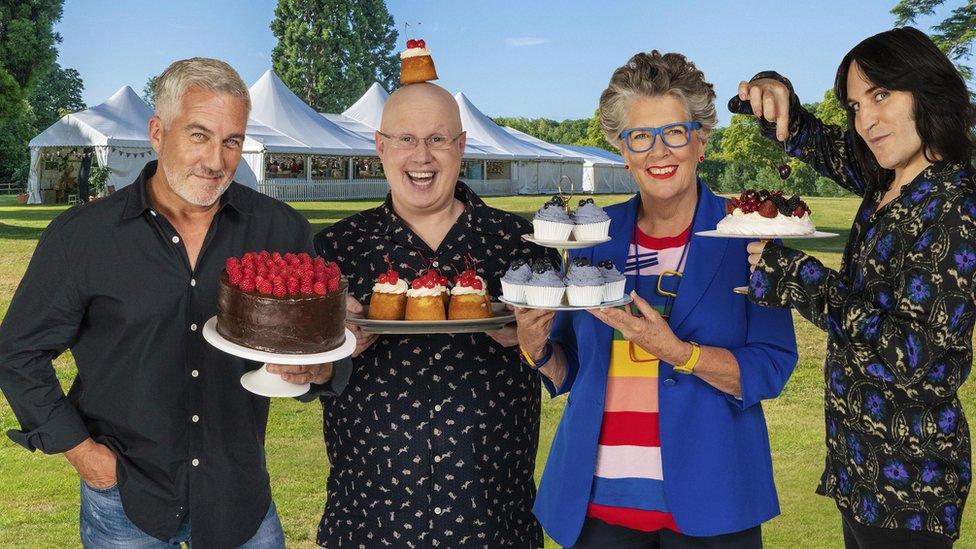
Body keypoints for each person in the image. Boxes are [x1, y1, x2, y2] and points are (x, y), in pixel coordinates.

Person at [0, 57, 338, 547]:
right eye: (199, 135)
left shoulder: (280, 230)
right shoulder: (85, 237)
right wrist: (85, 457)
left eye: (232, 140)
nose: (217, 160)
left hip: (239, 495)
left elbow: (313, 344)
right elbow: (18, 352)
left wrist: (317, 370)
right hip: (123, 499)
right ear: (158, 133)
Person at [515, 50, 799, 548]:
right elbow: (569, 370)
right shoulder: (593, 237)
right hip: (598, 510)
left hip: (714, 508)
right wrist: (534, 347)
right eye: (640, 137)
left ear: (701, 141)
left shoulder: (749, 237)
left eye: (674, 133)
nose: (658, 152)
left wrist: (679, 353)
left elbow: (771, 368)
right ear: (622, 151)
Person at [742, 27, 975, 548]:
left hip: (911, 486)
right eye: (854, 105)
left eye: (881, 95)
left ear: (928, 89)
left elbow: (911, 351)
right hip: (859, 467)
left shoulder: (954, 207)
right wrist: (772, 89)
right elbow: (808, 136)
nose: (865, 121)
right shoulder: (888, 177)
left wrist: (798, 278)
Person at [311, 82, 550, 547]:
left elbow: (565, 364)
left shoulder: (522, 242)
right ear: (380, 147)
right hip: (369, 518)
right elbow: (305, 374)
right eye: (406, 139)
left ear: (461, 147)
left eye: (438, 139)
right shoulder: (335, 249)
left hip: (492, 519)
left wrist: (531, 342)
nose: (422, 156)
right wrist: (333, 347)